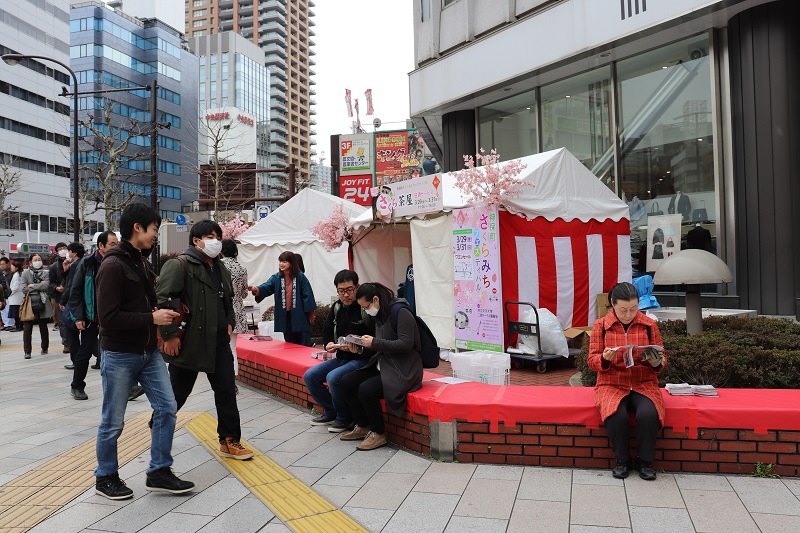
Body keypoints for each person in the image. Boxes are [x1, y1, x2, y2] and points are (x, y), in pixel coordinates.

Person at [94, 203, 194, 500]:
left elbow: (143, 305)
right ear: (137, 227)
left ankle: (159, 471)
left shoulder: (140, 262)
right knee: (113, 420)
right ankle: (105, 477)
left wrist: (164, 313)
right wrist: (152, 318)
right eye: (153, 229)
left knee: (167, 407)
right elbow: (108, 318)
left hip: (148, 351)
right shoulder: (113, 266)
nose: (155, 235)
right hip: (120, 354)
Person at [156, 220, 253, 460]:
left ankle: (230, 440)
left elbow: (228, 299)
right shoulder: (179, 265)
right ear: (196, 240)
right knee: (177, 394)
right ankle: (156, 429)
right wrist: (169, 335)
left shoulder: (222, 268)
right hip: (190, 341)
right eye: (210, 237)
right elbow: (165, 299)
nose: (215, 241)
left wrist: (229, 322)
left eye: (218, 237)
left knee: (226, 390)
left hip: (219, 341)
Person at [587, 282, 667, 481]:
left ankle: (645, 462)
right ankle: (622, 461)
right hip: (611, 383)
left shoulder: (649, 325)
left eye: (633, 309)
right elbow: (591, 360)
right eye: (623, 310)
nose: (628, 314)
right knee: (616, 415)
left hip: (643, 382)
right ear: (612, 304)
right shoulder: (601, 326)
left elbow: (662, 357)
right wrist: (605, 359)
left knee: (648, 414)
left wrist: (657, 361)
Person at [338, 282, 422, 451]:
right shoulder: (380, 314)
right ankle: (363, 425)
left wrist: (375, 342)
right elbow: (380, 346)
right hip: (384, 364)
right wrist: (360, 348)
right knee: (346, 382)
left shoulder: (401, 312)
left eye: (366, 306)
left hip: (403, 369)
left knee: (366, 389)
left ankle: (379, 433)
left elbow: (406, 344)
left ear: (375, 299)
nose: (366, 311)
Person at [303, 270, 374, 432]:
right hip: (341, 357)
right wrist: (329, 344)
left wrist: (359, 348)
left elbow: (375, 337)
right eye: (341, 291)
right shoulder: (337, 308)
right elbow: (327, 331)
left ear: (357, 287)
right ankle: (331, 411)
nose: (346, 295)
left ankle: (345, 418)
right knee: (310, 376)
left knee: (333, 377)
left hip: (362, 359)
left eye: (349, 290)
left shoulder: (364, 308)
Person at [64, 233, 118, 400]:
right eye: (112, 244)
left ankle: (128, 387)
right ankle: (77, 386)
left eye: (117, 244)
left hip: (113, 316)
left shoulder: (119, 263)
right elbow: (75, 292)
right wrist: (79, 317)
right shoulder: (86, 263)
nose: (116, 247)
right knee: (85, 352)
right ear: (100, 246)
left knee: (120, 352)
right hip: (90, 317)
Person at [249, 251, 316, 346]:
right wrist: (256, 289)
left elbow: (308, 296)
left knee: (304, 342)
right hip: (285, 316)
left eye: (284, 261)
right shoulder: (276, 278)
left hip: (300, 315)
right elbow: (266, 287)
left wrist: (311, 314)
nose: (281, 264)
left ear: (291, 263)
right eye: (280, 261)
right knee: (289, 343)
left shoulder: (300, 277)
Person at [220, 238, 248, 384]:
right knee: (232, 347)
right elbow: (244, 293)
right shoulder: (241, 269)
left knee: (220, 347)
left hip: (221, 310)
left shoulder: (218, 266)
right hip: (237, 310)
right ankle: (233, 378)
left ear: (221, 250)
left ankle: (223, 378)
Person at [20, 254, 52, 359]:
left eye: (39, 260)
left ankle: (44, 347)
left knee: (43, 326)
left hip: (42, 302)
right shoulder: (25, 273)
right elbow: (24, 289)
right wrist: (40, 286)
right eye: (35, 260)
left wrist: (33, 285)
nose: (38, 261)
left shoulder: (45, 273)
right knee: (27, 328)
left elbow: (47, 286)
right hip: (29, 302)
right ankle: (27, 351)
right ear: (30, 262)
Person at [61, 242, 86, 373]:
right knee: (89, 336)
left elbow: (71, 286)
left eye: (68, 251)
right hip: (85, 303)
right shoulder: (85, 262)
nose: (67, 254)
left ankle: (76, 361)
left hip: (75, 304)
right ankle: (98, 358)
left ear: (74, 253)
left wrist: (63, 301)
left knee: (72, 334)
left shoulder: (76, 265)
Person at [49, 242, 70, 352]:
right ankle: (66, 343)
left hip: (73, 296)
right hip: (60, 297)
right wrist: (56, 288)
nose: (63, 250)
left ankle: (74, 341)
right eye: (60, 248)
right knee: (62, 321)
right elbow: (51, 283)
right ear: (57, 252)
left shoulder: (73, 262)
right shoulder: (53, 267)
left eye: (64, 248)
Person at [7, 259, 24, 331]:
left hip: (15, 297)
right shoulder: (20, 274)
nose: (11, 267)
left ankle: (18, 327)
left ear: (16, 267)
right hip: (18, 297)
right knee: (18, 313)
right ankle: (20, 326)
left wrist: (10, 293)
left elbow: (15, 286)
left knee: (16, 314)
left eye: (12, 266)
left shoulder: (16, 275)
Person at [1, 257, 14, 330]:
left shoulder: (11, 273)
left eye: (3, 264)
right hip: (2, 295)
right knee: (3, 310)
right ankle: (6, 324)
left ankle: (11, 324)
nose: (2, 266)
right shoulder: (1, 273)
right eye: (0, 264)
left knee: (9, 309)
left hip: (9, 294)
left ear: (8, 264)